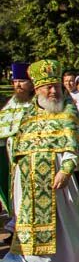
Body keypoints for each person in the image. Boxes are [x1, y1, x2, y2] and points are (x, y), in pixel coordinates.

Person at [0, 60, 79, 262]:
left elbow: (78, 147)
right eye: (47, 87)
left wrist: (66, 170)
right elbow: (18, 146)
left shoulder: (69, 113)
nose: (53, 91)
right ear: (37, 90)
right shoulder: (29, 115)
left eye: (56, 86)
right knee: (29, 226)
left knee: (66, 227)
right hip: (30, 185)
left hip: (62, 184)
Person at [0, 63, 34, 215]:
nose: (18, 85)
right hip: (11, 153)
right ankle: (16, 221)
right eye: (15, 81)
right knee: (15, 187)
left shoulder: (37, 102)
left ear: (32, 83)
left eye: (22, 81)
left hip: (30, 152)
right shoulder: (12, 102)